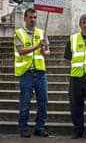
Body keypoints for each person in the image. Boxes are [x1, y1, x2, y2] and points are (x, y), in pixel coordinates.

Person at [14, 8, 50, 138]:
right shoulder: (19, 33)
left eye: (35, 17)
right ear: (25, 18)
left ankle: (39, 127)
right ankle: (23, 128)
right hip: (26, 73)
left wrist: (44, 51)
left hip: (40, 73)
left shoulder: (42, 32)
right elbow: (21, 51)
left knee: (43, 101)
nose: (33, 20)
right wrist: (37, 46)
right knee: (25, 102)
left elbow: (47, 52)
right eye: (30, 17)